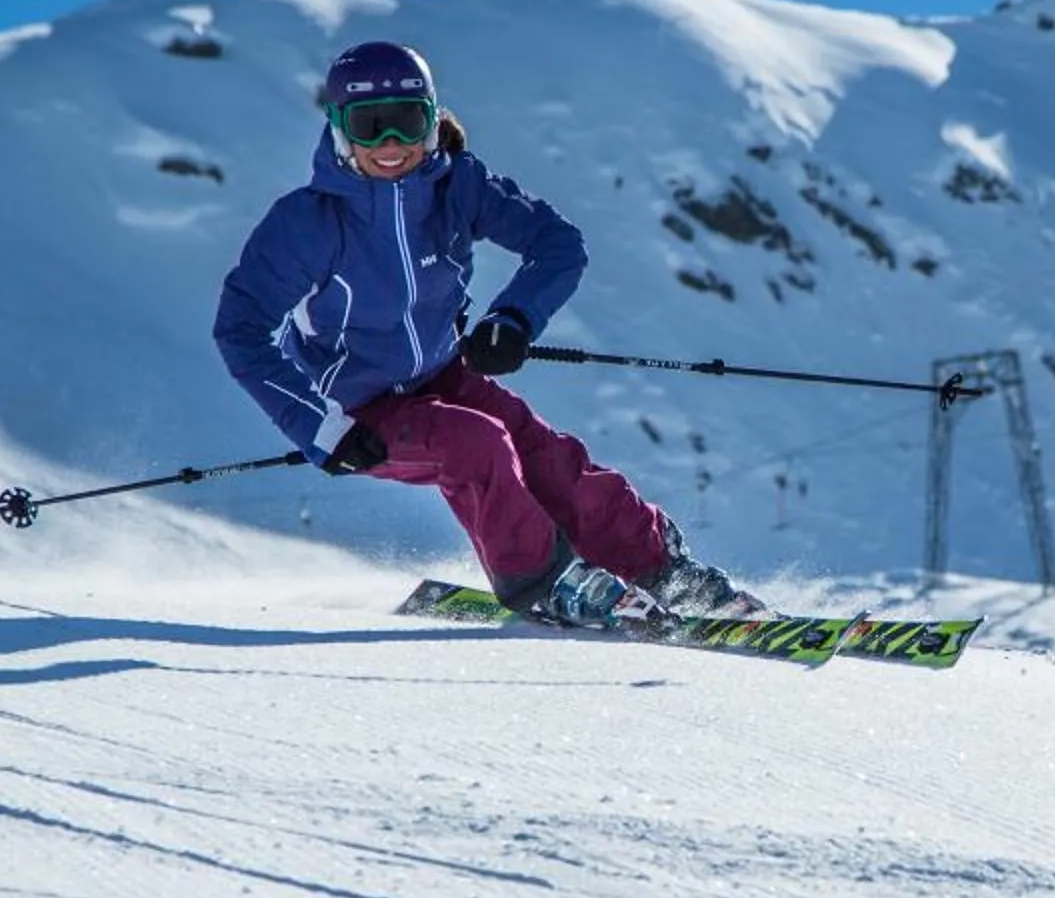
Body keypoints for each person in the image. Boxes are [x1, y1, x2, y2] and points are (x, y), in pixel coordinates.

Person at [213, 40, 759, 625]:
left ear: (430, 118)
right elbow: (242, 328)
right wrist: (320, 428)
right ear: (340, 131)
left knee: (550, 457)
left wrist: (514, 318)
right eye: (369, 127)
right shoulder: (307, 223)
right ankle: (542, 582)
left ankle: (662, 572)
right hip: (358, 412)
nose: (390, 144)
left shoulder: (458, 188)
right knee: (474, 445)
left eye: (405, 122)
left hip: (445, 374)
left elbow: (557, 245)